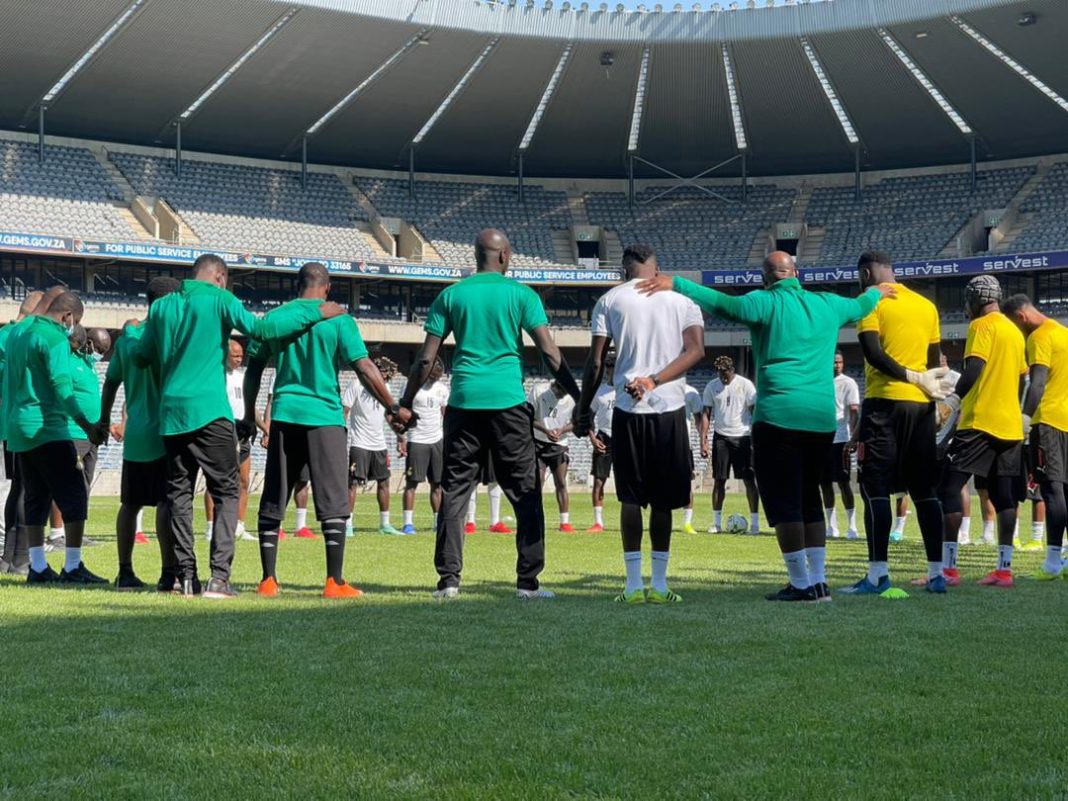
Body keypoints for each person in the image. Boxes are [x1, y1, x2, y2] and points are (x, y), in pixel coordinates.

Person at [638, 251, 891, 602]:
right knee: (810, 499)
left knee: (785, 503)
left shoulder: (764, 302)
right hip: (821, 419)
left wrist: (678, 284)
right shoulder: (828, 304)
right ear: (796, 273)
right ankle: (820, 583)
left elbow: (724, 305)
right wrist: (878, 291)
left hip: (778, 416)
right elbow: (861, 305)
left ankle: (800, 584)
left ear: (765, 279)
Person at [129, 253, 343, 598]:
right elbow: (262, 330)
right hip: (210, 412)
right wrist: (316, 312)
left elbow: (141, 356)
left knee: (179, 496)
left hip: (172, 416)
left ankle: (186, 578)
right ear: (220, 277)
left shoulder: (163, 307)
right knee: (227, 490)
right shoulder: (220, 299)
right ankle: (218, 579)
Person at [402, 228, 580, 600]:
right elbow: (549, 353)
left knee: (455, 491)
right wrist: (580, 396)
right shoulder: (522, 295)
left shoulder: (451, 295)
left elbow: (426, 359)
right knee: (525, 491)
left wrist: (405, 402)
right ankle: (527, 583)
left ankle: (449, 582)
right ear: (503, 256)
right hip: (507, 403)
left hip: (464, 403)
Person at [243, 262, 409, 598]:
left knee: (275, 495)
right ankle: (334, 581)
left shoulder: (276, 317)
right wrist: (392, 406)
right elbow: (364, 367)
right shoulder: (338, 319)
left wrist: (249, 414)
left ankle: (268, 580)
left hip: (286, 415)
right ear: (328, 288)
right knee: (334, 498)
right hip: (325, 417)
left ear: (297, 286)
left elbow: (254, 370)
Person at [574, 244, 704, 603]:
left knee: (630, 498)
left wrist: (582, 408)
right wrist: (656, 380)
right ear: (656, 268)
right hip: (669, 408)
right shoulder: (683, 300)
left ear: (624, 269)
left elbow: (596, 362)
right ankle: (659, 586)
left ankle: (633, 586)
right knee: (663, 501)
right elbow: (696, 351)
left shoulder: (610, 300)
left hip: (627, 410)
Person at [839, 251, 949, 595]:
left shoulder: (871, 301)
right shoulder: (927, 306)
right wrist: (925, 386)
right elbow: (933, 362)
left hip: (884, 404)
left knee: (875, 488)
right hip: (921, 407)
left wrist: (909, 376)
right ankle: (936, 574)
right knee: (924, 490)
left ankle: (877, 575)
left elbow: (873, 354)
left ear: (866, 273)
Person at [932, 275, 1027, 589]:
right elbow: (1021, 379)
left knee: (949, 487)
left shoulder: (981, 326)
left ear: (975, 299)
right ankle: (1004, 571)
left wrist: (951, 401)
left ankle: (948, 570)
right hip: (1010, 426)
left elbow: (974, 368)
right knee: (1003, 496)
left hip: (980, 421)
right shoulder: (1014, 331)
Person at [5, 292, 103, 584]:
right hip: (46, 426)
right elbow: (62, 386)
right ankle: (72, 566)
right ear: (67, 316)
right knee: (75, 493)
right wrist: (86, 425)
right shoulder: (54, 338)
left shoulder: (19, 333)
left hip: (19, 425)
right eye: (74, 322)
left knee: (35, 496)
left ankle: (37, 566)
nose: (72, 328)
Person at [96, 278, 182, 591]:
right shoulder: (171, 336)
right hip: (166, 430)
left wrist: (104, 419)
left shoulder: (129, 339)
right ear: (171, 302)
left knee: (130, 503)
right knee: (165, 502)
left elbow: (111, 382)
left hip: (136, 434)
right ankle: (168, 573)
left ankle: (125, 571)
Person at [1002, 294, 1068, 579]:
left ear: (1021, 317)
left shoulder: (1039, 337)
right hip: (1066, 421)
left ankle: (1052, 563)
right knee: (1066, 491)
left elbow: (1038, 382)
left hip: (1048, 421)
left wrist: (1025, 418)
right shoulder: (1064, 333)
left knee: (1051, 489)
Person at [0, 291, 44, 575]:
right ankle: (20, 558)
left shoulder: (7, 335)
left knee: (18, 486)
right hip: (24, 420)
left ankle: (9, 556)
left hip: (10, 421)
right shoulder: (22, 336)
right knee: (28, 488)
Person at [343, 356, 402, 536]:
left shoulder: (386, 388)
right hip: (359, 443)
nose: (386, 378)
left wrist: (400, 436)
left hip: (379, 444)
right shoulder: (356, 385)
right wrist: (339, 436)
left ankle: (385, 524)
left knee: (384, 482)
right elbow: (345, 411)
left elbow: (389, 415)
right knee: (353, 483)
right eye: (384, 374)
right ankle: (347, 525)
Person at [700, 355, 759, 535]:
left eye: (725, 373)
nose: (723, 377)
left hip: (742, 436)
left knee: (749, 480)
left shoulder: (746, 385)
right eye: (720, 374)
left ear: (732, 370)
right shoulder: (712, 387)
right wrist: (704, 440)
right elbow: (706, 414)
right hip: (721, 438)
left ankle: (755, 524)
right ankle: (716, 524)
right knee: (719, 480)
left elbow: (754, 412)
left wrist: (756, 438)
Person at [205, 339, 255, 543]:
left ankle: (239, 526)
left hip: (242, 431)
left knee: (244, 480)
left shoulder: (243, 378)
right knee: (216, 480)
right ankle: (211, 527)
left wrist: (262, 426)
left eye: (241, 356)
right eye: (235, 355)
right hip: (223, 431)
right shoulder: (216, 376)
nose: (239, 359)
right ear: (225, 355)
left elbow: (250, 404)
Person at [399, 357, 448, 535]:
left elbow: (446, 415)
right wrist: (401, 438)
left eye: (438, 376)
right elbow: (401, 413)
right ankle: (408, 523)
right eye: (433, 376)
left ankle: (437, 521)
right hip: (417, 439)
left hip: (437, 440)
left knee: (437, 484)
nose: (435, 379)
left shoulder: (442, 389)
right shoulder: (410, 387)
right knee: (412, 483)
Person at [259, 378, 313, 539]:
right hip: (282, 430)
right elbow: (270, 402)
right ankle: (277, 526)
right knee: (280, 480)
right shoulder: (278, 373)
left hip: (304, 430)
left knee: (303, 480)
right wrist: (267, 430)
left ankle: (300, 526)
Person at [530, 379, 576, 533]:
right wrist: (546, 430)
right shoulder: (538, 390)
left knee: (561, 482)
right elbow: (529, 416)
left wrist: (561, 430)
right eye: (560, 393)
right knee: (538, 482)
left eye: (564, 394)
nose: (561, 397)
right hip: (538, 442)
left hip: (559, 444)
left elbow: (576, 422)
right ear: (555, 386)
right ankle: (535, 519)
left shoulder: (572, 397)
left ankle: (565, 523)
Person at [823, 351, 860, 540]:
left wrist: (853, 436)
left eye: (839, 362)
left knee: (844, 483)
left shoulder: (848, 383)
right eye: (834, 362)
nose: (836, 365)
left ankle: (852, 527)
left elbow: (854, 411)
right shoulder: (820, 381)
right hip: (822, 438)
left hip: (840, 438)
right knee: (824, 483)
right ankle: (831, 526)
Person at [587, 352, 617, 533]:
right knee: (599, 480)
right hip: (604, 438)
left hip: (623, 438)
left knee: (627, 482)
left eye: (613, 367)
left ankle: (628, 519)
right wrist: (592, 438)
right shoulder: (600, 391)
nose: (610, 371)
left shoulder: (626, 389)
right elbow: (588, 418)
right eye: (609, 367)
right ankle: (598, 522)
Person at [680, 383, 706, 534]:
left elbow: (698, 419)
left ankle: (687, 523)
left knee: (686, 485)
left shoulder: (691, 392)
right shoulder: (660, 389)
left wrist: (703, 441)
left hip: (684, 445)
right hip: (662, 444)